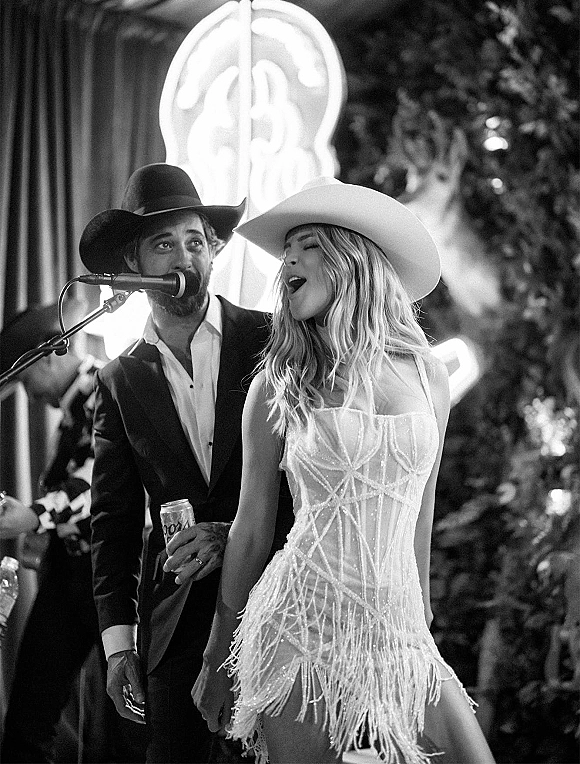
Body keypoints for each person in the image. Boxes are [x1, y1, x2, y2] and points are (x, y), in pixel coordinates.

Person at [190, 177, 496, 764]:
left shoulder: (427, 373)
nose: (287, 264)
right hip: (299, 621)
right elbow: (251, 529)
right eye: (285, 254)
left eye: (304, 245)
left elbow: (421, 510)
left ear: (349, 256)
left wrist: (421, 620)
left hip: (396, 628)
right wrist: (216, 656)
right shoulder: (278, 386)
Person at [78, 163, 293, 763]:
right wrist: (120, 644)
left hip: (277, 606)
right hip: (174, 625)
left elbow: (315, 480)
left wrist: (234, 535)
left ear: (215, 251)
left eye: (196, 241)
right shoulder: (120, 379)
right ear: (134, 264)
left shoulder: (273, 341)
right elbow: (112, 522)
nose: (184, 256)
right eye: (164, 243)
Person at [0, 300, 143, 763]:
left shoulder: (109, 386)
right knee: (30, 710)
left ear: (50, 356)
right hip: (70, 570)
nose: (28, 392)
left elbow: (101, 480)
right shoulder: (73, 407)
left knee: (130, 716)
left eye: (26, 379)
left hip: (115, 574)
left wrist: (34, 515)